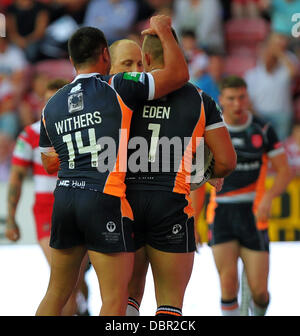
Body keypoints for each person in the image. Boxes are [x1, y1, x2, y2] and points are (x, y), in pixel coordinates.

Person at [35, 15, 190, 316]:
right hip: (103, 199)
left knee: (55, 293)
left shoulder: (51, 104)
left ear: (71, 60)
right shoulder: (118, 84)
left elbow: (48, 161)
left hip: (65, 199)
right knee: (115, 300)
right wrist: (161, 30)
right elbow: (178, 74)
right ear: (106, 54)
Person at [118, 30, 236, 316]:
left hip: (125, 202)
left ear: (144, 59)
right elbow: (227, 162)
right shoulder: (201, 99)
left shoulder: (121, 87)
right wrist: (205, 174)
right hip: (171, 203)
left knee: (125, 298)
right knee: (170, 304)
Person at [206, 75, 292, 316]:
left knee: (260, 293)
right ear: (221, 99)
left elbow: (285, 172)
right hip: (221, 213)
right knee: (228, 285)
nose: (237, 103)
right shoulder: (210, 130)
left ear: (247, 97)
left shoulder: (262, 129)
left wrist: (268, 198)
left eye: (241, 97)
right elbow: (196, 173)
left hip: (254, 215)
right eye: (231, 98)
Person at [5, 79, 90, 316]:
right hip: (46, 211)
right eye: (48, 101)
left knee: (76, 281)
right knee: (66, 282)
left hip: (80, 208)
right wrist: (11, 218)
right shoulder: (30, 134)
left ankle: (83, 308)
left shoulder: (85, 130)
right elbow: (16, 178)